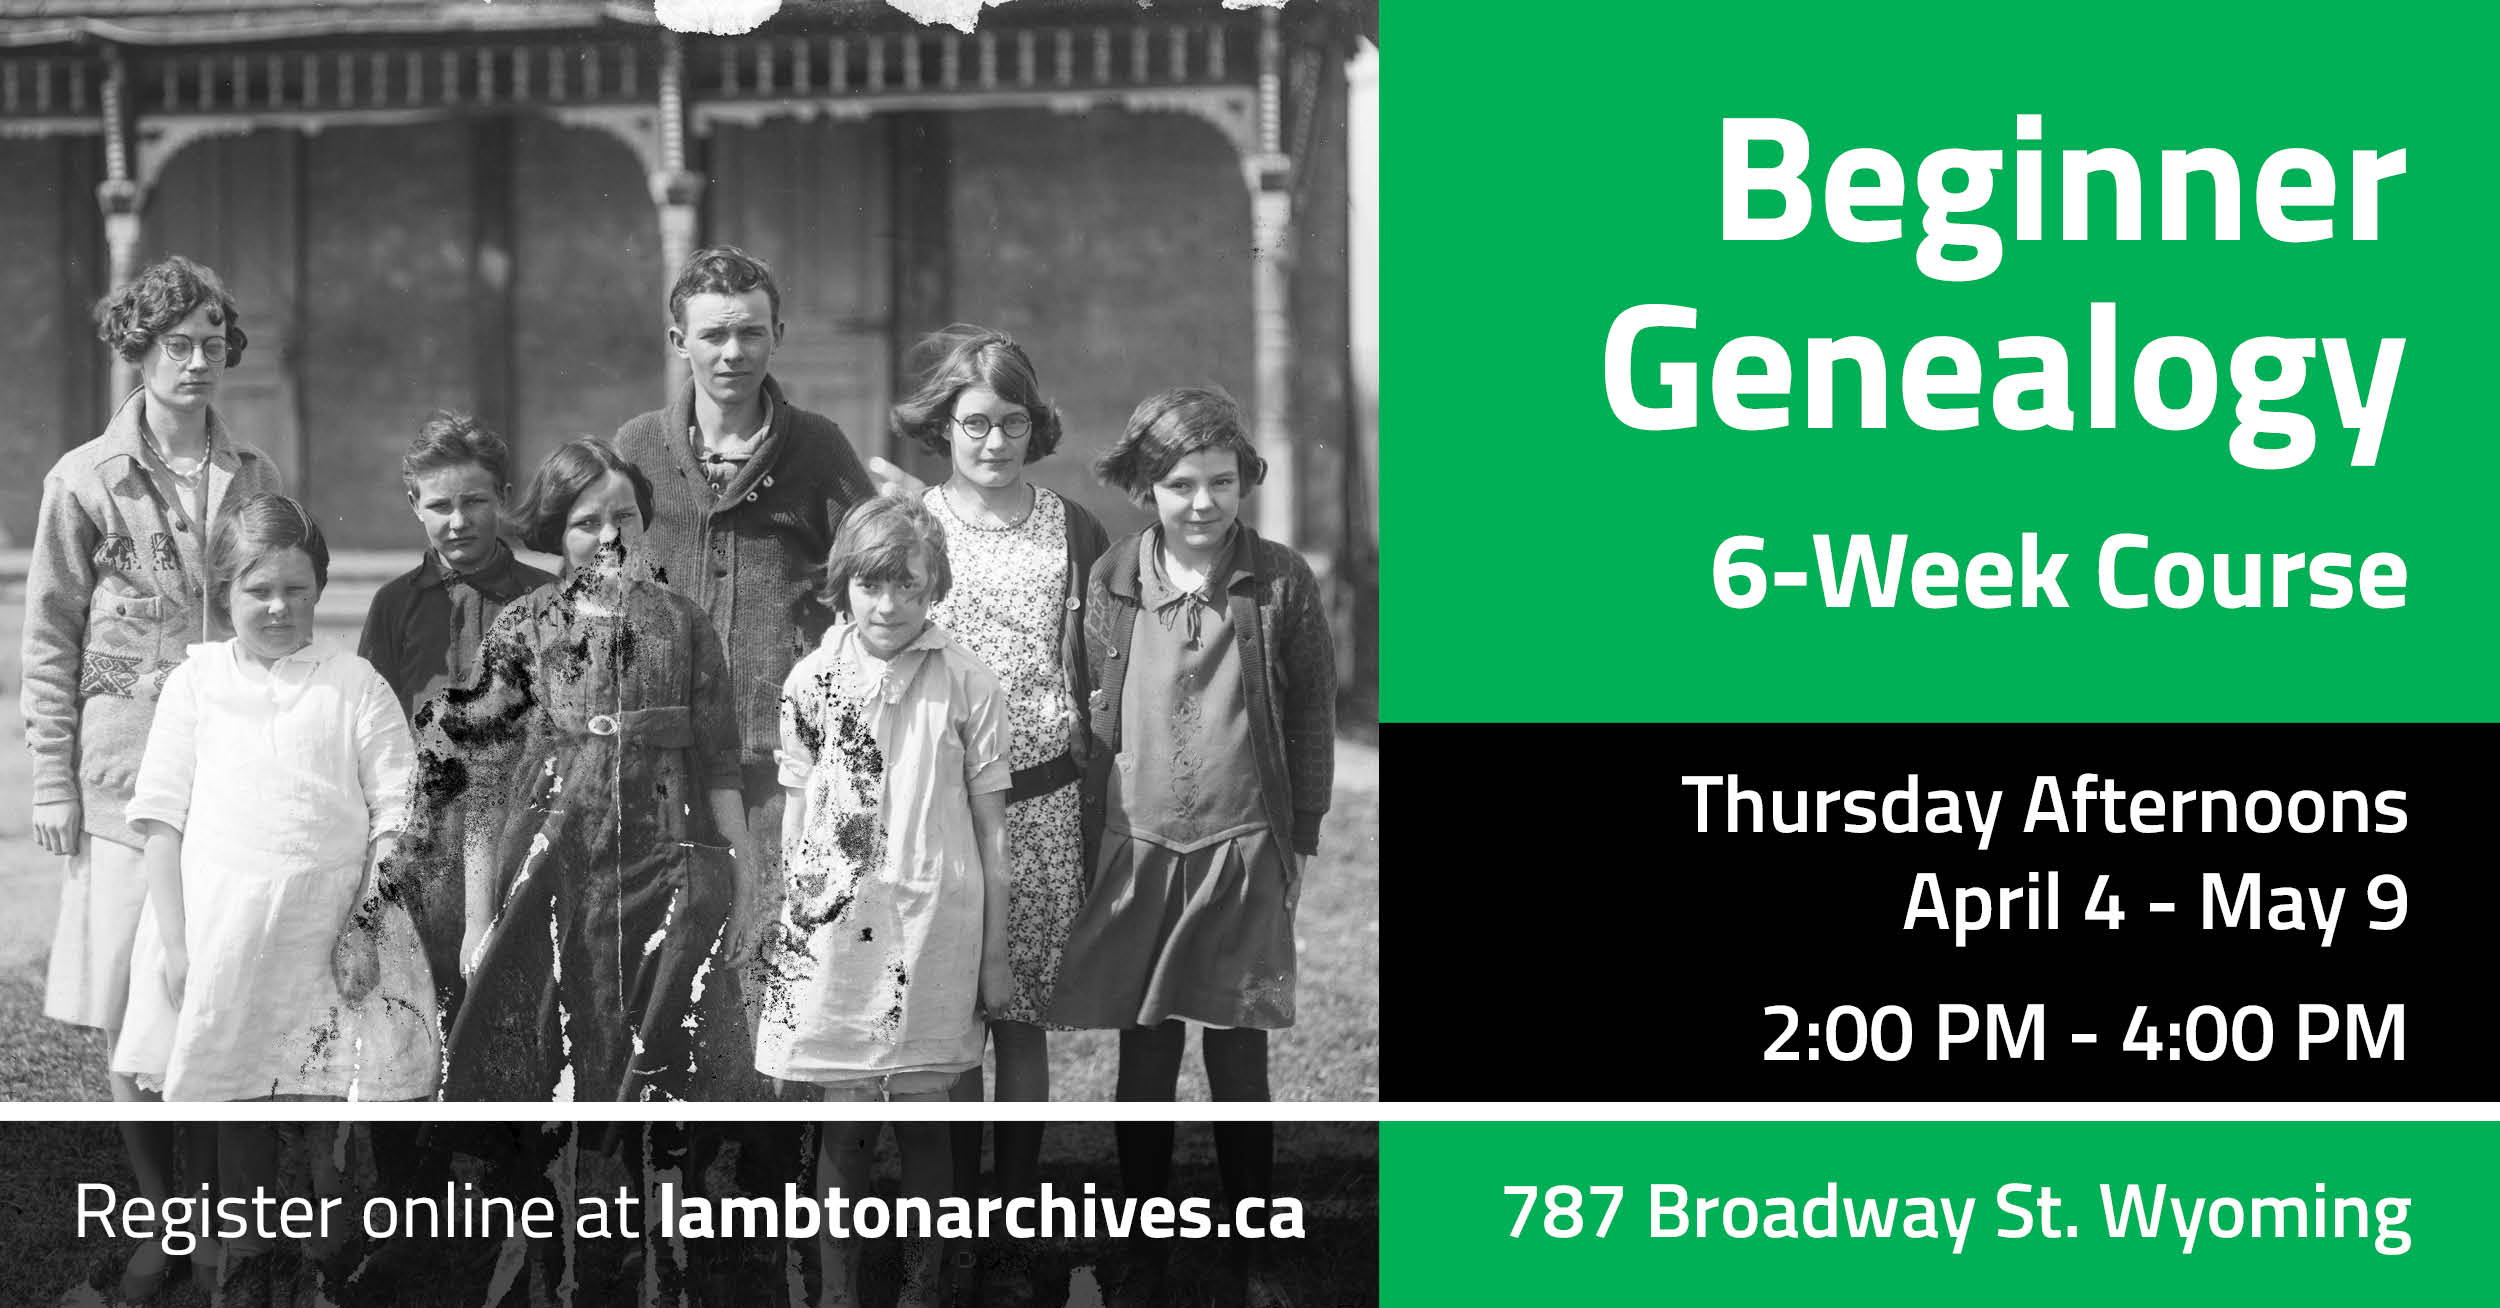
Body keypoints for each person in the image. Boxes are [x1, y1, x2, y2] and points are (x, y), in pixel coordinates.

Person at [21, 255, 283, 1300]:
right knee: (132, 1004)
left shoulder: (254, 478)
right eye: (175, 342)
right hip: (124, 769)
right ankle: (162, 1214)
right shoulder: (83, 479)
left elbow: (274, 606)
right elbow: (48, 639)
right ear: (139, 347)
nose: (195, 359)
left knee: (210, 990)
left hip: (231, 774)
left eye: (211, 340)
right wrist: (51, 783)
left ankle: (226, 1219)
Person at [1048, 388, 1337, 1307]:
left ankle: (1254, 1247)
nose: (1203, 503)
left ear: (1245, 480)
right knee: (1145, 1053)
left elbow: (1310, 718)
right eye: (1180, 484)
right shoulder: (1113, 579)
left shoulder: (1281, 580)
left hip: (1244, 843)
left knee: (1239, 1053)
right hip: (1140, 844)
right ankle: (1145, 1245)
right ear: (1146, 486)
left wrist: (1302, 839)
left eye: (1221, 481)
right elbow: (1089, 699)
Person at [119, 492, 436, 1299]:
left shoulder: (352, 683)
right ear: (224, 590)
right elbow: (160, 817)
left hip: (328, 928)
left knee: (323, 1086)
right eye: (258, 590)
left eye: (297, 589)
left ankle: (327, 1253)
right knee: (235, 1089)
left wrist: (369, 920)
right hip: (221, 929)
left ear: (320, 590)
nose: (277, 607)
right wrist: (179, 944)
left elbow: (398, 809)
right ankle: (247, 1255)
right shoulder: (196, 685)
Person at [614, 245, 877, 1094]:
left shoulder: (819, 448)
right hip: (664, 758)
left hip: (774, 761)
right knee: (657, 954)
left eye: (752, 334)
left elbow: (868, 569)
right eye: (714, 335)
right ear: (677, 340)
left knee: (763, 950)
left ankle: (769, 1156)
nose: (733, 354)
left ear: (779, 336)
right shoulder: (639, 449)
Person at [425, 437, 756, 1100]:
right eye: (586, 523)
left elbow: (721, 768)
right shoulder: (523, 626)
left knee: (664, 1054)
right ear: (556, 531)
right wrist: (476, 918)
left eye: (624, 517)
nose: (610, 536)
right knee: (551, 1050)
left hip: (664, 865)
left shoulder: (684, 624)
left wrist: (744, 884)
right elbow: (486, 789)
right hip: (553, 869)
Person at [888, 325, 1108, 1296]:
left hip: (1043, 805)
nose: (993, 440)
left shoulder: (1072, 527)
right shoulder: (912, 525)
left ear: (1034, 424)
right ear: (942, 425)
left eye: (1011, 421)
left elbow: (1096, 666)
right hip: (937, 809)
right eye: (974, 422)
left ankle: (1015, 1212)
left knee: (1019, 1015)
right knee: (947, 1016)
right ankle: (952, 1213)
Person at [754, 495, 1011, 1308]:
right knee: (850, 1107)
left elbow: (992, 831)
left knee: (927, 1105)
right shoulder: (812, 680)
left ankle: (928, 1287)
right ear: (844, 585)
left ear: (934, 583)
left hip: (940, 917)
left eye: (907, 585)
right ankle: (837, 1290)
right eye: (871, 585)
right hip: (841, 929)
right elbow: (798, 812)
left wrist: (996, 955)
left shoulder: (969, 680)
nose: (889, 605)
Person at [358, 412, 554, 1012]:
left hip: (521, 827)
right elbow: (374, 728)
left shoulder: (544, 599)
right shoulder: (395, 606)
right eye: (440, 505)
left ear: (505, 498)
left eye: (475, 501)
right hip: (428, 836)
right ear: (415, 504)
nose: (459, 520)